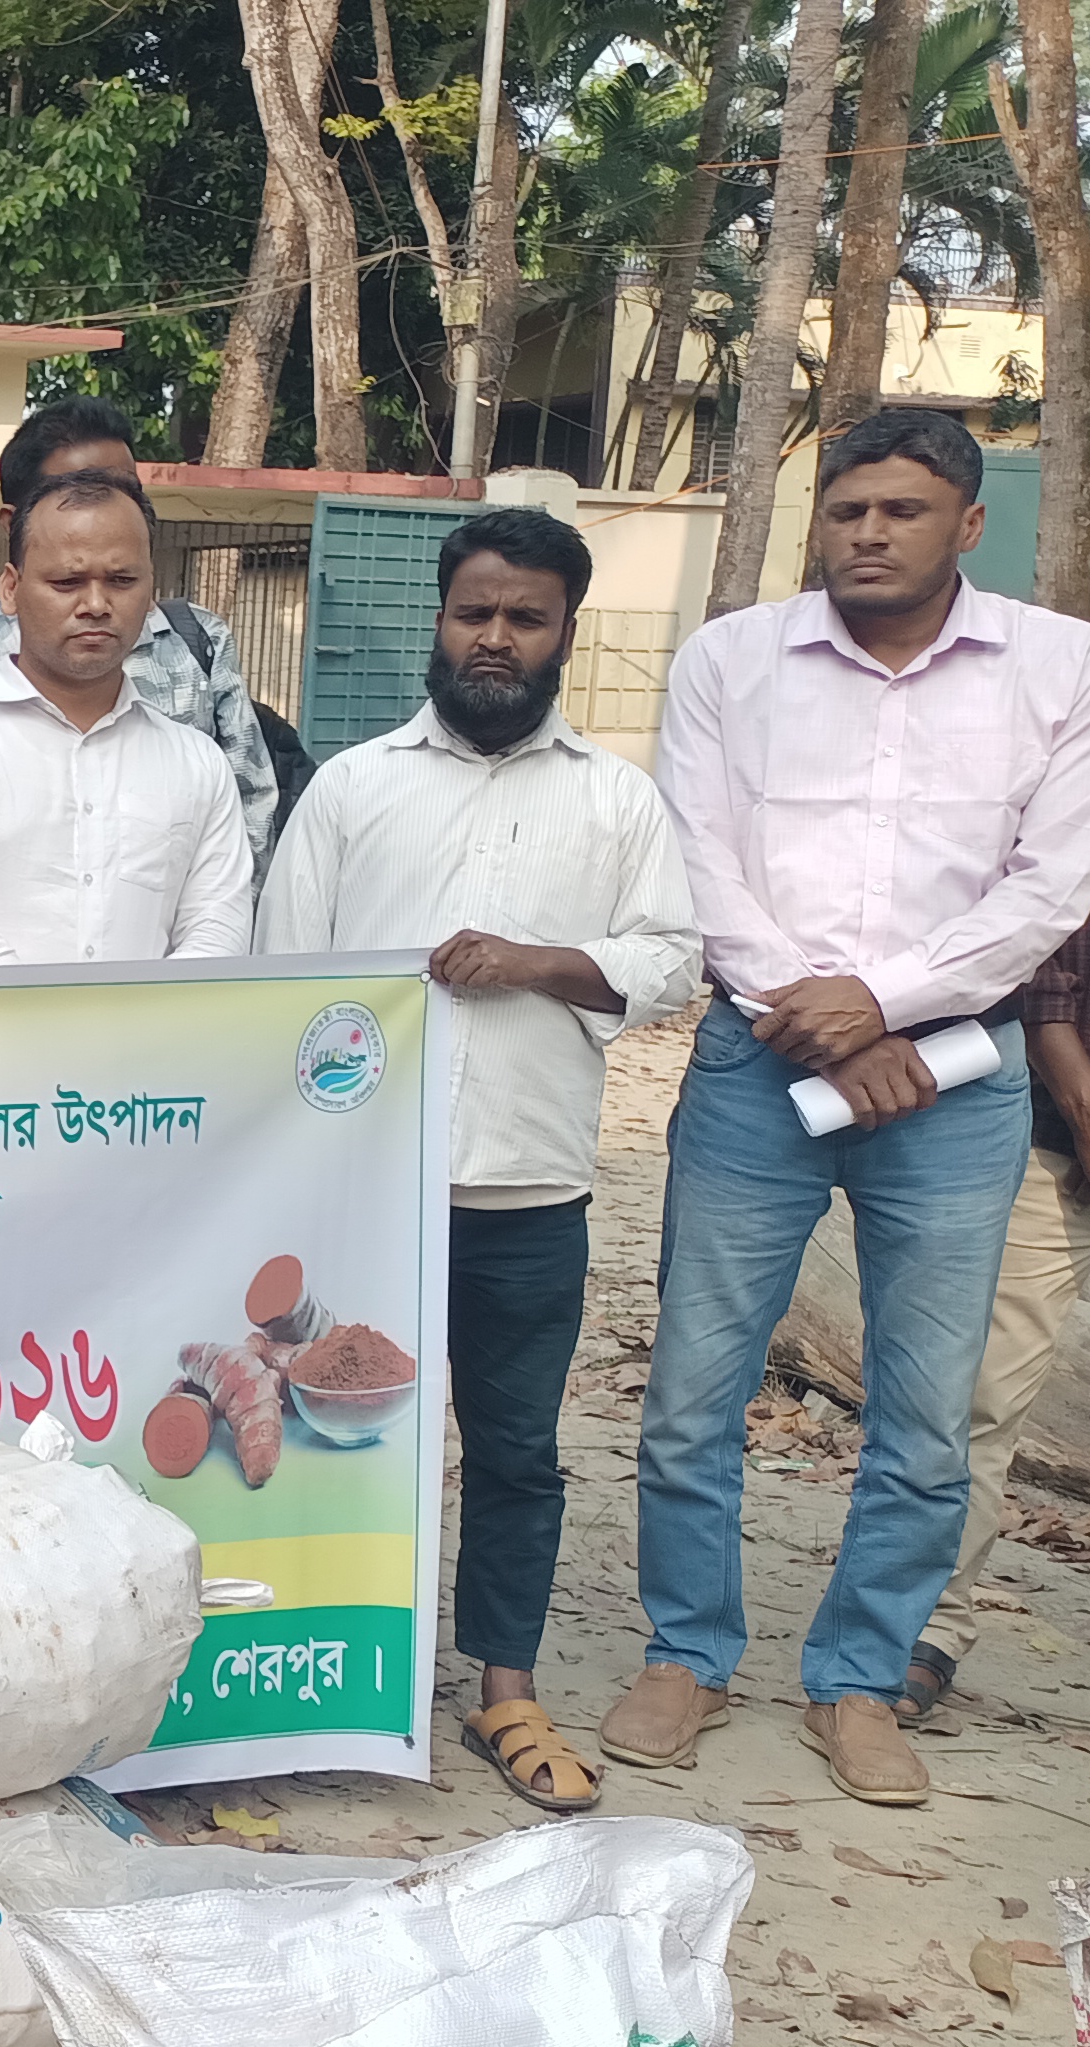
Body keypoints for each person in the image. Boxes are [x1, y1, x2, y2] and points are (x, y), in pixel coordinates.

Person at [612, 408, 1090, 1808]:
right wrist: (825, 1021)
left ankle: (858, 1679)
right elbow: (704, 861)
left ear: (969, 524)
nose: (869, 534)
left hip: (953, 1084)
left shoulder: (1067, 670)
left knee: (927, 1412)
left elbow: (1048, 890)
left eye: (903, 511)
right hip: (755, 1063)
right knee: (693, 1389)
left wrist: (888, 1003)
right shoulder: (734, 660)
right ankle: (686, 1652)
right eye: (846, 511)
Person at [254, 508, 701, 1813]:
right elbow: (290, 979)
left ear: (567, 631)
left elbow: (671, 963)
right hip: (368, 1196)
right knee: (342, 1438)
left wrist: (533, 963)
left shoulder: (616, 800)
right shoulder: (353, 787)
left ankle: (505, 1689)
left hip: (530, 1194)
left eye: (525, 617)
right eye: (474, 613)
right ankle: (336, 1681)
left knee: (514, 1451)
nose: (495, 639)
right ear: (439, 620)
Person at [896, 527, 1090, 1741]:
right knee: (968, 1406)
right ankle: (918, 1631)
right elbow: (1021, 914)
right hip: (1039, 1136)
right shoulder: (1086, 704)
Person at [0, 468, 253, 967]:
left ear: (150, 589)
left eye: (122, 580)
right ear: (11, 588)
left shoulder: (198, 762)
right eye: (67, 581)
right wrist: (50, 1020)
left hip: (148, 1042)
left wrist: (139, 1026)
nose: (95, 605)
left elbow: (216, 927)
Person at [0, 396, 273, 854]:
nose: (104, 508)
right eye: (76, 491)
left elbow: (251, 802)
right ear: (12, 522)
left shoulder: (197, 641)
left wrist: (221, 917)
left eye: (126, 490)